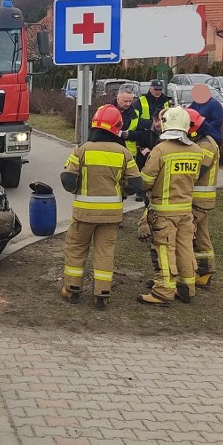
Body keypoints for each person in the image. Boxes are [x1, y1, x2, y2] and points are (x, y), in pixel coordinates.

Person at [59, 104, 142, 310]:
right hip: (110, 216)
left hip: (83, 214)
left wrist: (79, 190)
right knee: (105, 252)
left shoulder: (82, 150)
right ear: (116, 127)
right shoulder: (124, 153)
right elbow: (134, 184)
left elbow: (68, 180)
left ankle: (72, 290)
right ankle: (102, 294)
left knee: (76, 250)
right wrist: (120, 192)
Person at [137, 106, 210, 306]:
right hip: (186, 210)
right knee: (185, 248)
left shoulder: (161, 150)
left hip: (163, 212)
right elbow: (194, 177)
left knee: (164, 250)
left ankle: (163, 292)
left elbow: (145, 180)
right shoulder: (196, 151)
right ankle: (187, 288)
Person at [186, 108, 220, 289]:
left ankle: (189, 273)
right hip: (200, 199)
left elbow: (197, 171)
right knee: (201, 235)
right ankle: (205, 272)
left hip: (199, 199)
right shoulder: (202, 141)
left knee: (187, 235)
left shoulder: (206, 145)